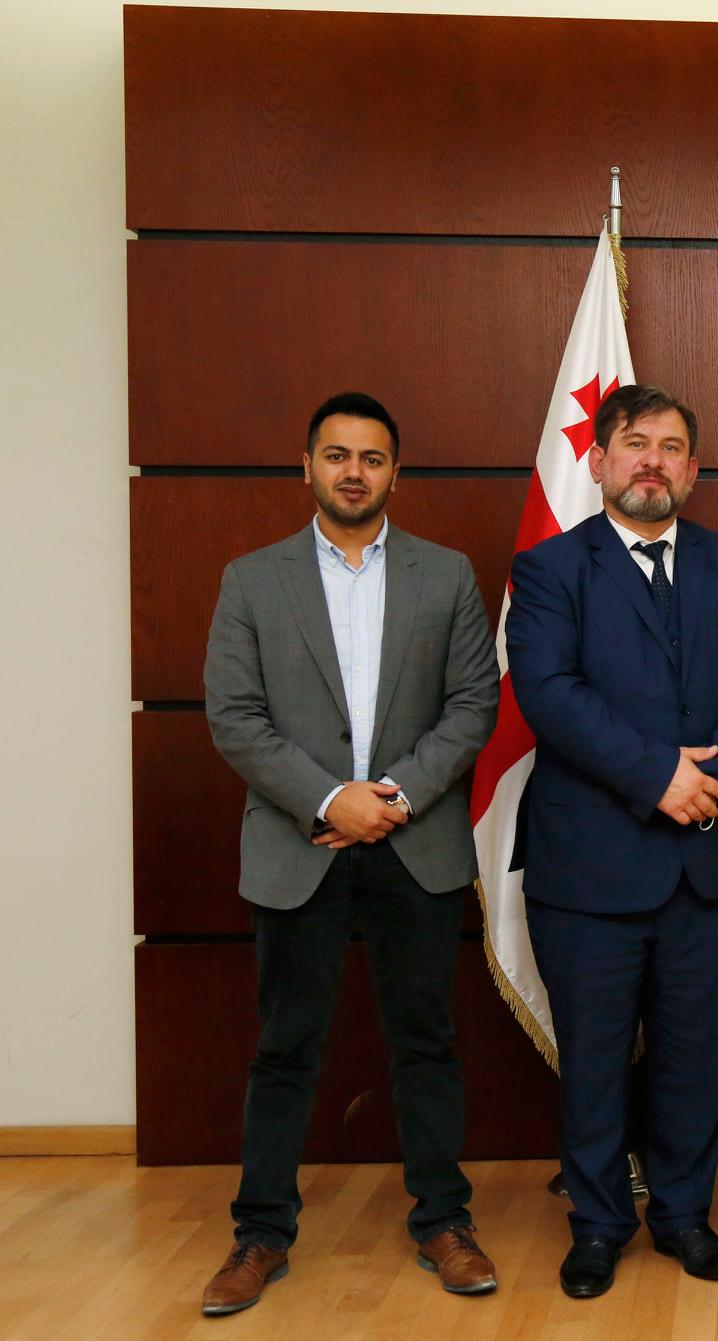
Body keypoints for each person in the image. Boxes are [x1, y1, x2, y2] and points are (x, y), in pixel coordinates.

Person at [199, 393, 500, 1315]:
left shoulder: (447, 575)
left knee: (426, 1042)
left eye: (372, 457)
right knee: (285, 1048)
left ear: (395, 473)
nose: (354, 472)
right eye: (337, 455)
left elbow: (474, 704)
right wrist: (334, 799)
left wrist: (392, 798)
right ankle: (260, 1235)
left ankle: (444, 1222)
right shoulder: (252, 579)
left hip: (416, 846)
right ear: (307, 467)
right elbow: (234, 717)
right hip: (302, 845)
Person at [506, 384, 718, 1299]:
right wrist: (657, 776)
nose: (653, 461)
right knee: (594, 1060)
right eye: (636, 443)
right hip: (588, 868)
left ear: (693, 469)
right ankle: (598, 1225)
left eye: (671, 447)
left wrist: (708, 778)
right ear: (598, 461)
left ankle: (683, 1216)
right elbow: (549, 692)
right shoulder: (550, 568)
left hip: (707, 862)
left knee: (694, 1057)